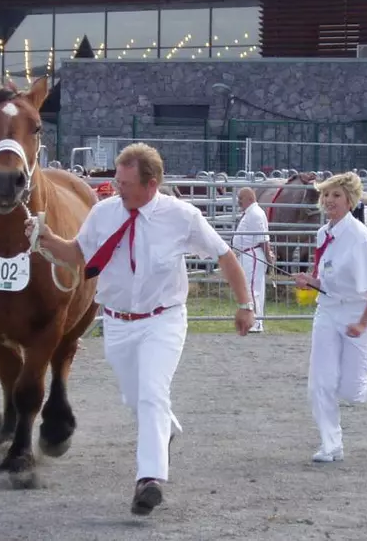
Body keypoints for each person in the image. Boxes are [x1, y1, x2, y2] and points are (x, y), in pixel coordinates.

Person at [24, 142, 254, 516]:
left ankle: (149, 481)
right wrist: (45, 240)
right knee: (137, 400)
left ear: (152, 183)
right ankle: (165, 430)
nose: (118, 188)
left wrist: (245, 304)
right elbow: (77, 254)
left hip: (163, 320)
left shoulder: (182, 216)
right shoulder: (103, 214)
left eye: (126, 183)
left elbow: (224, 255)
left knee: (150, 393)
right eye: (117, 180)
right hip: (117, 322)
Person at [292, 172, 367, 464]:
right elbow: (327, 279)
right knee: (319, 383)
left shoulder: (360, 238)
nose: (329, 201)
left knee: (354, 391)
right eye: (326, 195)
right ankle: (331, 444)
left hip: (358, 314)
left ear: (350, 201)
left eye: (336, 195)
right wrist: (310, 282)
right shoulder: (322, 233)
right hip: (327, 311)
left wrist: (363, 323)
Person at [232, 187, 275, 333]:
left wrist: (269, 258)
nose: (239, 202)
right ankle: (255, 320)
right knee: (252, 287)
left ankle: (255, 321)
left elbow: (263, 239)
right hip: (247, 255)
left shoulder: (255, 214)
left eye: (241, 199)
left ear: (250, 199)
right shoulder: (250, 213)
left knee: (252, 288)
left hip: (252, 255)